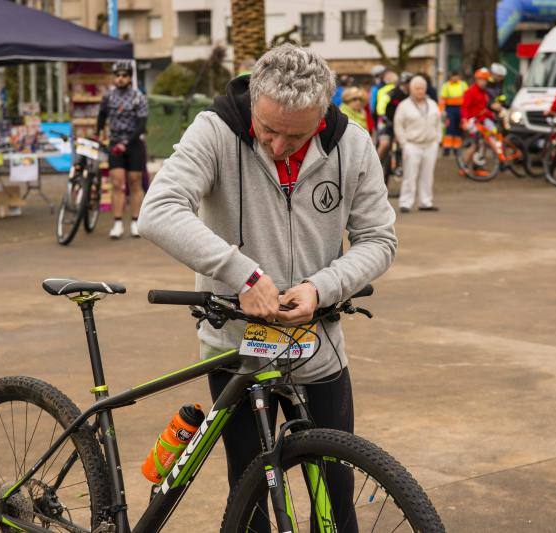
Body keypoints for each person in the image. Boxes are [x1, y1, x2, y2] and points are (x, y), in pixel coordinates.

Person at [138, 44, 397, 530]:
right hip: (237, 350)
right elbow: (157, 212)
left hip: (316, 348)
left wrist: (322, 287)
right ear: (253, 101)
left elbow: (379, 238)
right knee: (250, 497)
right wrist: (244, 275)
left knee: (335, 502)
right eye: (268, 129)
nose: (278, 146)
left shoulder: (353, 145)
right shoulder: (214, 131)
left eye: (295, 135)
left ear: (322, 114)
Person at [97, 60, 149, 239]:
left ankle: (136, 222)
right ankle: (117, 223)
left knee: (135, 181)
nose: (120, 79)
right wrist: (99, 135)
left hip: (133, 143)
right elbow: (101, 116)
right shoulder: (108, 97)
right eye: (117, 75)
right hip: (115, 143)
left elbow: (142, 125)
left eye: (124, 75)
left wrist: (126, 143)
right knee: (117, 183)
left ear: (129, 77)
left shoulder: (138, 97)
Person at [393, 75, 442, 213]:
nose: (420, 91)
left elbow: (438, 123)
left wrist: (437, 140)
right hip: (412, 144)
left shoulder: (432, 104)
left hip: (430, 144)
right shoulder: (404, 106)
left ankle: (426, 202)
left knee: (428, 174)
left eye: (422, 88)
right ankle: (406, 202)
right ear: (411, 89)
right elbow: (398, 125)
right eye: (417, 88)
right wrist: (404, 143)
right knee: (410, 174)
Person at [460, 67, 496, 177]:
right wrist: (465, 120)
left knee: (484, 143)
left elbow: (484, 109)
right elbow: (465, 107)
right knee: (474, 144)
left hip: (483, 121)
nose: (483, 82)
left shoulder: (485, 93)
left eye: (485, 80)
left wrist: (492, 115)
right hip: (473, 122)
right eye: (481, 79)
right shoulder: (470, 92)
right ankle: (464, 166)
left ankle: (478, 167)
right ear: (476, 79)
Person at [439, 70, 468, 156]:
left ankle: (456, 149)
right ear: (450, 77)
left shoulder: (463, 85)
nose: (455, 78)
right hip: (450, 109)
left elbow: (467, 97)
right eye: (453, 76)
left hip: (460, 108)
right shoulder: (446, 85)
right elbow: (442, 99)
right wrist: (442, 110)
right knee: (449, 128)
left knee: (458, 128)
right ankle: (446, 149)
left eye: (456, 76)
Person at [375, 70, 399, 161]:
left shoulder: (381, 90)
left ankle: (376, 161)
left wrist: (381, 116)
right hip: (395, 119)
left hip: (383, 120)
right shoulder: (398, 90)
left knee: (383, 143)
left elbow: (378, 106)